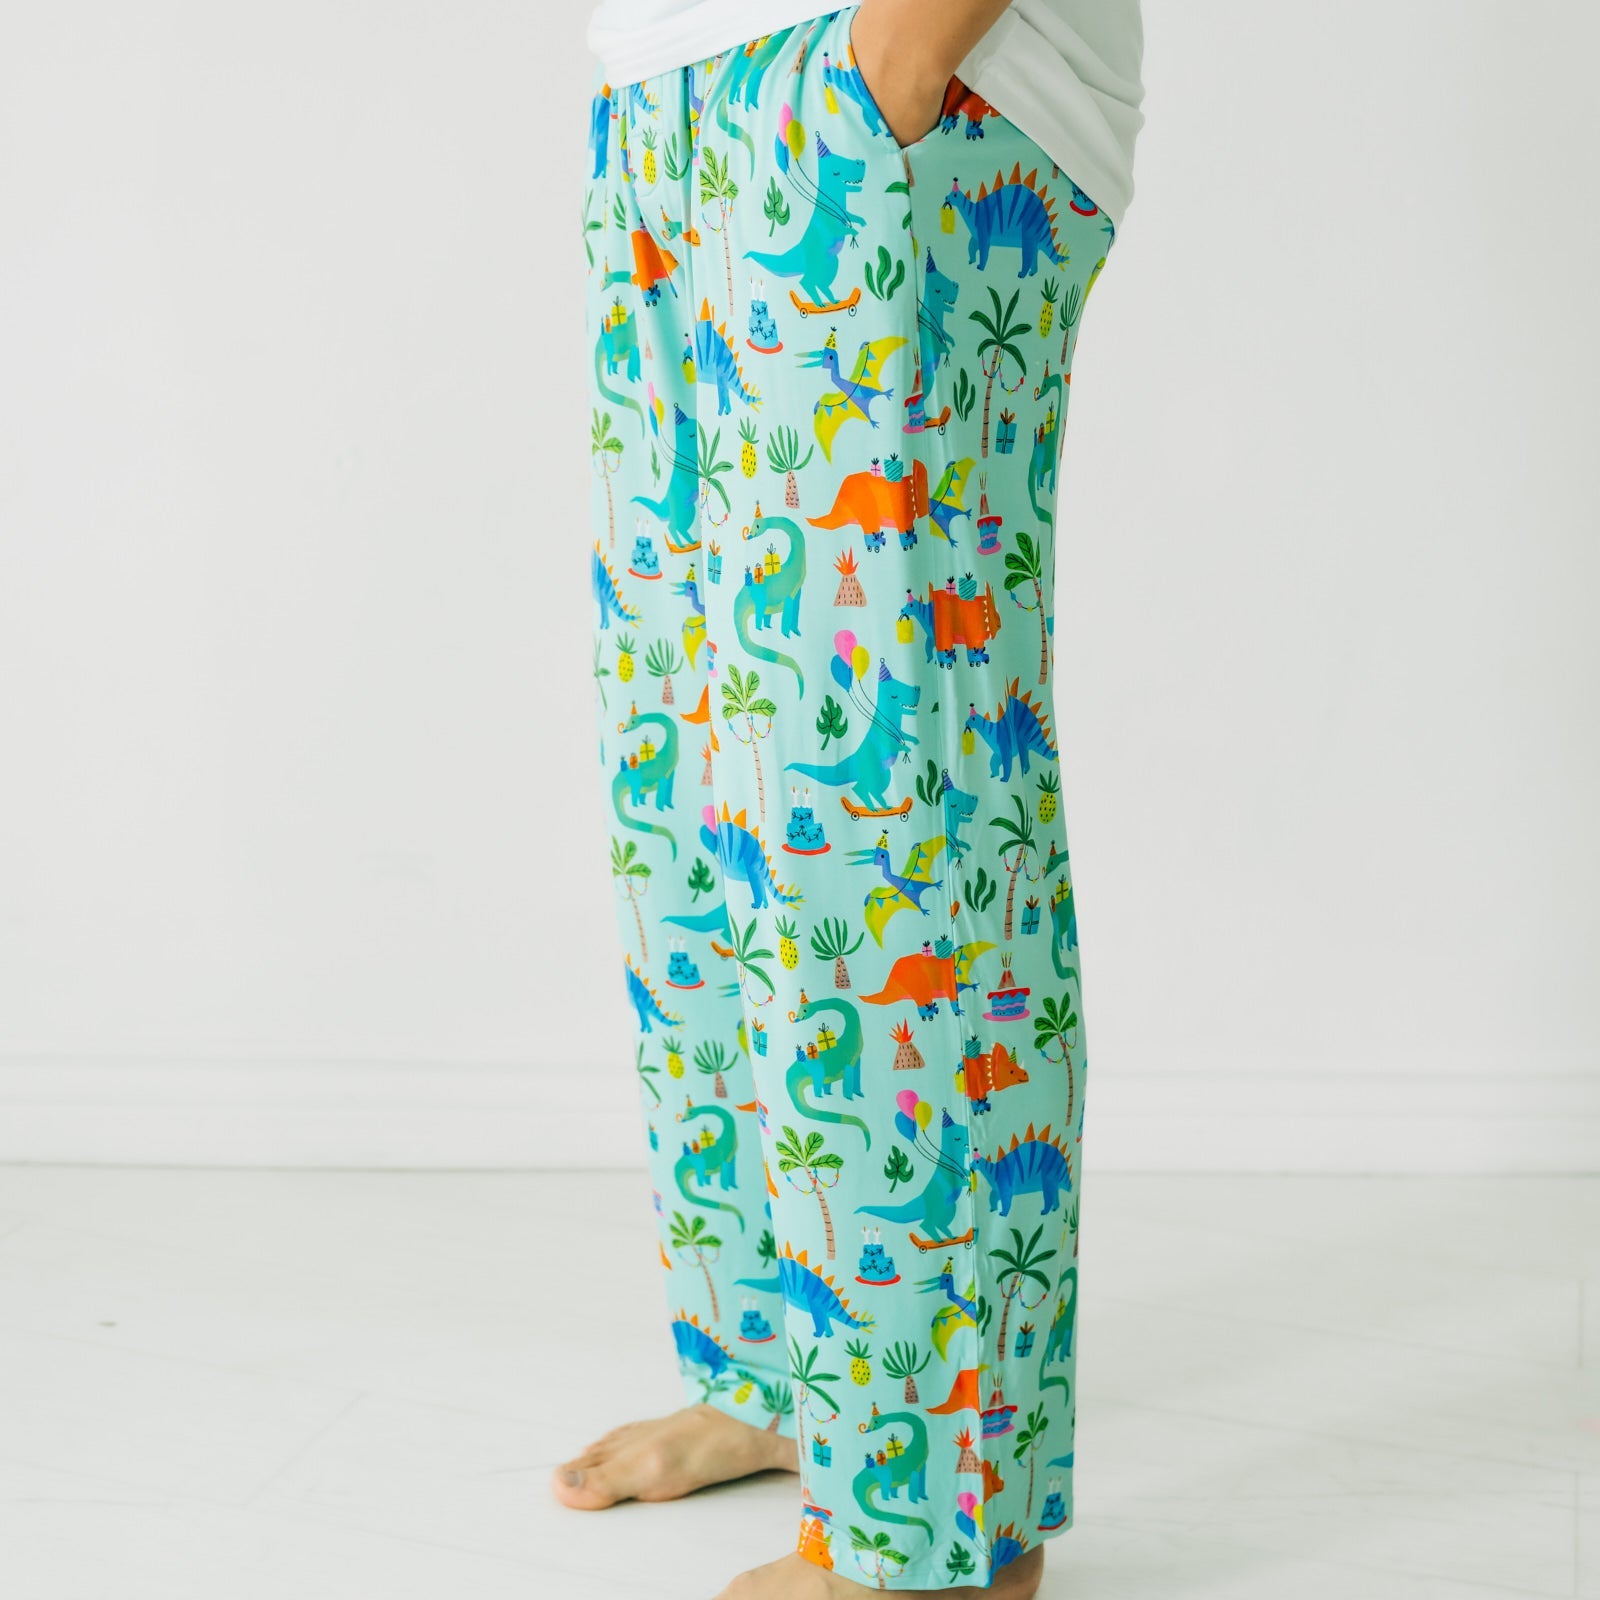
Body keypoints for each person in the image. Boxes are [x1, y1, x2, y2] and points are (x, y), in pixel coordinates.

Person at [562, 2, 1143, 1593]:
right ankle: (784, 1372)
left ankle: (935, 1527)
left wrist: (889, 68)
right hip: (667, 107)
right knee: (702, 798)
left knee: (888, 819)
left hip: (890, 82)